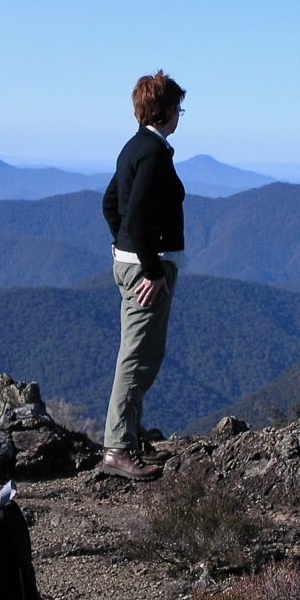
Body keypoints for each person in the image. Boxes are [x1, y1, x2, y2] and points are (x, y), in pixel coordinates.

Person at [100, 70, 186, 480]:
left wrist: (123, 248)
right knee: (137, 358)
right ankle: (117, 448)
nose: (180, 115)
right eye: (178, 108)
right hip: (145, 270)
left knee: (138, 354)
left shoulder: (132, 148)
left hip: (129, 263)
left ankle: (128, 439)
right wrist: (151, 268)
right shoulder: (153, 153)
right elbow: (133, 215)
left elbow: (110, 204)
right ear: (166, 111)